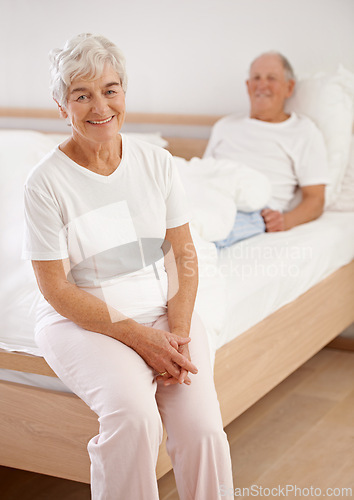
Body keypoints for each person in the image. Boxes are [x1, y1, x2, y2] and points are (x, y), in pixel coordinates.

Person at [22, 33, 233, 500]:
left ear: (123, 93)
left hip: (164, 313)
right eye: (82, 94)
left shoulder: (156, 163)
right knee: (134, 418)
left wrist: (175, 335)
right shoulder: (45, 183)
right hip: (81, 321)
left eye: (110, 89)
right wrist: (142, 339)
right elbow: (55, 288)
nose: (100, 105)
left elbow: (184, 256)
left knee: (202, 430)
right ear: (63, 107)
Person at [204, 51, 329, 238]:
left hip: (253, 210)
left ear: (289, 87)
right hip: (209, 197)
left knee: (201, 231)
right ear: (248, 86)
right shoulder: (224, 126)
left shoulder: (303, 131)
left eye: (271, 78)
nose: (262, 85)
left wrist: (285, 221)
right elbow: (203, 172)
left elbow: (316, 199)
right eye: (256, 78)